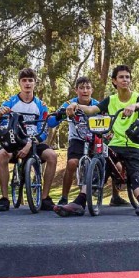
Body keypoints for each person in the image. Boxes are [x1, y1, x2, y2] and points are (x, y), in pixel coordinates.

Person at [54, 64, 139, 217]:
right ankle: (79, 202)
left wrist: (134, 106)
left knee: (135, 170)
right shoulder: (110, 100)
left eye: (127, 77)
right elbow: (92, 110)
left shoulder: (138, 97)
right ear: (114, 81)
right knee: (101, 162)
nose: (125, 80)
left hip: (133, 145)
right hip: (115, 144)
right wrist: (75, 105)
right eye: (121, 77)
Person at [0, 68, 58, 212]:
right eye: (24, 80)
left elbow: (44, 130)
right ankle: (4, 198)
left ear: (35, 83)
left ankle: (45, 198)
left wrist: (31, 142)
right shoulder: (10, 102)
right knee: (2, 155)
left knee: (52, 156)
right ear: (19, 83)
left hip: (33, 141)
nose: (27, 83)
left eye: (30, 80)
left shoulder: (41, 105)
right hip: (14, 140)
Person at [47, 76, 99, 206]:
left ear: (92, 90)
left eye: (88, 88)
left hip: (94, 139)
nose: (85, 91)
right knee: (72, 163)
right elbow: (52, 122)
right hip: (77, 139)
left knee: (107, 160)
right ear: (76, 90)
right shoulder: (68, 103)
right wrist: (63, 113)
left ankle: (115, 196)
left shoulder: (97, 105)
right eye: (81, 88)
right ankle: (64, 197)